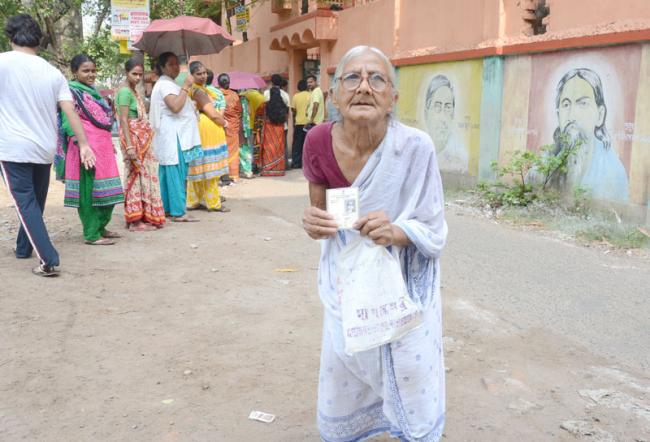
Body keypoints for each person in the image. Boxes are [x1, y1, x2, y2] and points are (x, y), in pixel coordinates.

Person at [301, 46, 448, 441]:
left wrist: (397, 232)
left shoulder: (415, 147)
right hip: (347, 279)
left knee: (411, 369)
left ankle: (414, 431)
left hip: (402, 281)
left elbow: (433, 225)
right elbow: (321, 217)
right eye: (352, 78)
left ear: (392, 98)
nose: (364, 87)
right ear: (333, 94)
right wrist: (313, 222)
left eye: (377, 79)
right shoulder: (316, 141)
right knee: (346, 360)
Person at [0, 14, 96, 276]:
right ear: (38, 40)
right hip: (44, 147)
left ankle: (48, 259)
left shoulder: (2, 63)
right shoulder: (52, 72)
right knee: (35, 201)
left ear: (11, 37)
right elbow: (70, 110)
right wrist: (84, 144)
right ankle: (23, 247)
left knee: (25, 202)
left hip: (12, 148)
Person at [56, 54, 124, 246]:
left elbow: (103, 123)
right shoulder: (70, 92)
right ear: (75, 72)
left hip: (102, 148)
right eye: (86, 70)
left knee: (107, 188)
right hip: (85, 148)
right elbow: (68, 120)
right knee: (88, 192)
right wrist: (79, 143)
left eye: (93, 70)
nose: (91, 74)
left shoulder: (94, 92)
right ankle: (92, 233)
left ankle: (101, 226)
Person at [550, 68, 629, 201]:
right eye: (566, 104)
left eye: (583, 104)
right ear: (558, 115)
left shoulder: (613, 173)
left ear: (600, 115)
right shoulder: (546, 162)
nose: (572, 115)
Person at [149, 52, 203, 222]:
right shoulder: (165, 84)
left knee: (167, 173)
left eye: (176, 63)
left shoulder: (167, 83)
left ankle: (167, 208)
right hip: (173, 136)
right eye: (171, 64)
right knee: (176, 173)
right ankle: (179, 211)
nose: (176, 67)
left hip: (171, 135)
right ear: (163, 67)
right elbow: (175, 107)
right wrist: (186, 86)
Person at [116, 57, 166, 231]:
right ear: (126, 73)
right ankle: (135, 221)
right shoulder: (124, 92)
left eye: (140, 74)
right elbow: (123, 119)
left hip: (142, 139)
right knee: (135, 177)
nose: (137, 77)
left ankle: (142, 216)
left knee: (145, 177)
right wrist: (129, 146)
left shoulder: (134, 91)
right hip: (133, 140)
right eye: (134, 74)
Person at [186, 61, 230, 212]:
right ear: (191, 76)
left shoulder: (200, 89)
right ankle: (213, 203)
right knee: (210, 168)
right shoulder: (198, 91)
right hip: (206, 128)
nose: (203, 76)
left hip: (201, 128)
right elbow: (212, 114)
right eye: (199, 74)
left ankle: (193, 200)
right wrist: (224, 122)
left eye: (204, 73)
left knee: (199, 166)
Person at [424, 74, 469, 173]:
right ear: (427, 112)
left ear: (453, 114)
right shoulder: (418, 147)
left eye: (447, 107)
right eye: (437, 106)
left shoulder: (459, 158)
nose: (442, 117)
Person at [218, 73, 243, 181]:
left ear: (219, 83)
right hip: (233, 127)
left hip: (219, 126)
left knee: (220, 150)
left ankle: (222, 174)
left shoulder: (216, 94)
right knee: (233, 151)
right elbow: (239, 111)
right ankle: (233, 174)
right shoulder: (234, 95)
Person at [259, 86, 289, 176]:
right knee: (279, 147)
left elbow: (260, 115)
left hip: (269, 129)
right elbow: (286, 117)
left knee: (269, 148)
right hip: (279, 129)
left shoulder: (265, 105)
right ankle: (279, 170)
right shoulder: (283, 106)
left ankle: (268, 169)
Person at [290, 79, 311, 168]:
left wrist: (294, 119)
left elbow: (293, 110)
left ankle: (296, 163)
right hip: (309, 123)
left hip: (298, 123)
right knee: (307, 144)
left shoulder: (296, 96)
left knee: (297, 144)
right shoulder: (311, 95)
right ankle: (306, 163)